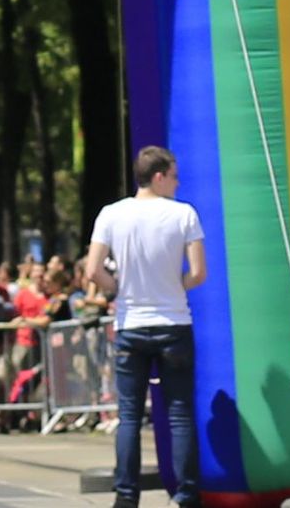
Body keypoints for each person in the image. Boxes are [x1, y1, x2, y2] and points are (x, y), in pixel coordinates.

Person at [85, 145, 205, 508]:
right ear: (159, 176)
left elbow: (92, 270)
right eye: (174, 175)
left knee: (129, 416)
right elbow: (198, 273)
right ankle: (185, 496)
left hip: (131, 322)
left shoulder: (111, 214)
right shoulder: (184, 214)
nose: (177, 182)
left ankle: (126, 496)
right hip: (172, 321)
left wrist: (119, 290)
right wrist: (172, 287)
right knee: (180, 413)